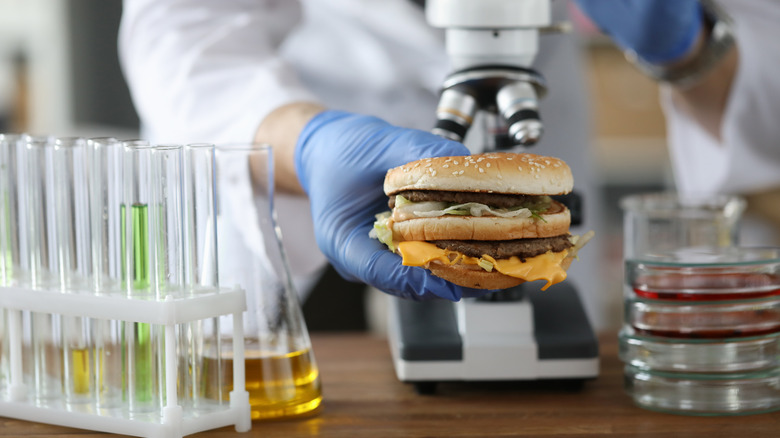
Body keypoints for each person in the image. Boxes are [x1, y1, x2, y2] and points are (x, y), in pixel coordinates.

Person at [118, 1, 779, 327]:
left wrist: (687, 47)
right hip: (296, 155)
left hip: (543, 84)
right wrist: (306, 145)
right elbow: (181, 35)